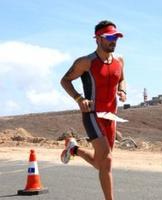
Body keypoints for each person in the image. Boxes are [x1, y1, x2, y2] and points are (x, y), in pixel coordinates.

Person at [60, 20, 126, 200]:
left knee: (101, 163)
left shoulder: (119, 60)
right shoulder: (86, 62)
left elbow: (121, 79)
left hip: (111, 116)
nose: (114, 41)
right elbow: (65, 80)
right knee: (108, 161)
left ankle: (74, 149)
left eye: (116, 37)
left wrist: (122, 90)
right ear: (97, 39)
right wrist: (79, 98)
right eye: (109, 37)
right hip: (92, 114)